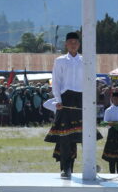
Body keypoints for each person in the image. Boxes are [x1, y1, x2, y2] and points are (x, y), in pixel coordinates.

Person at [47, 32, 84, 178]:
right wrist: (58, 100)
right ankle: (66, 168)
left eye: (76, 42)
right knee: (65, 137)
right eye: (70, 42)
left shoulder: (85, 60)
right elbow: (55, 81)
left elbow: (89, 80)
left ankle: (90, 167)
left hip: (81, 99)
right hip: (65, 99)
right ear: (66, 44)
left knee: (83, 135)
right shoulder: (60, 60)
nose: (73, 44)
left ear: (79, 44)